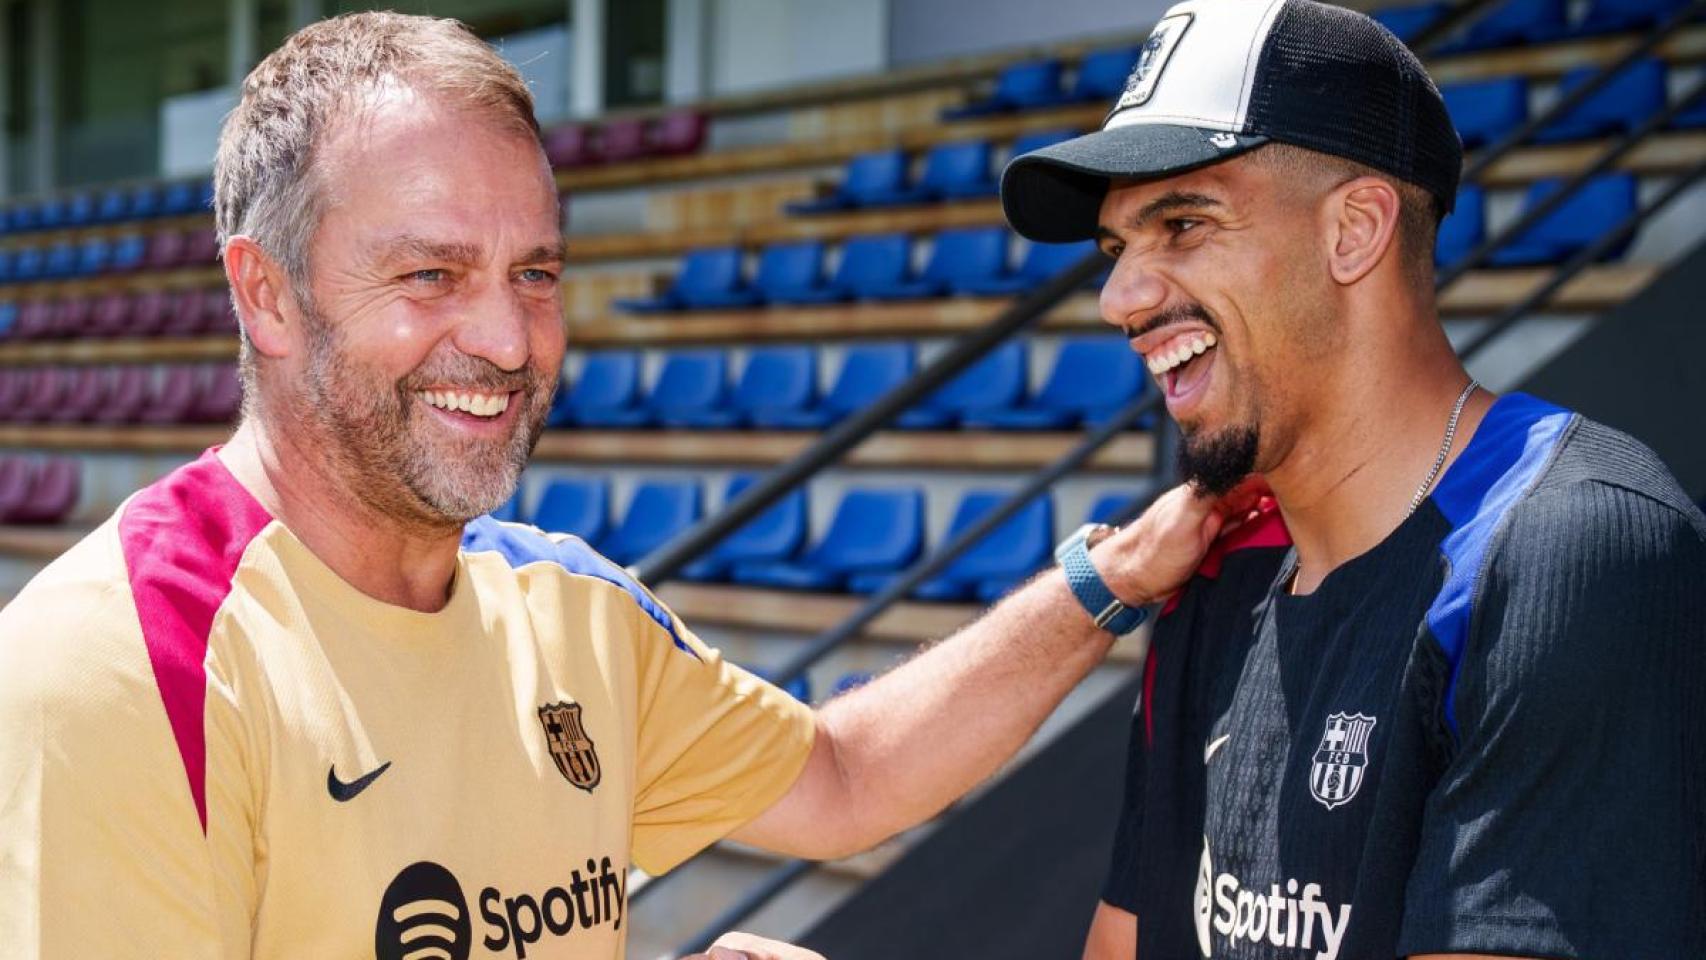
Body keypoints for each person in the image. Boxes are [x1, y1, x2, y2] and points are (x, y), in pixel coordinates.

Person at [0, 12, 1252, 959]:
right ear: (265, 293)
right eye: (430, 275)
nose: (506, 338)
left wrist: (1107, 579)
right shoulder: (119, 668)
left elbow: (845, 777)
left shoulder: (569, 608)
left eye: (535, 273)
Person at [1000, 0, 1706, 958]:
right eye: (1118, 249)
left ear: (1355, 229)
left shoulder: (1571, 551)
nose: (1119, 298)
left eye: (1183, 221)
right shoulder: (1212, 576)